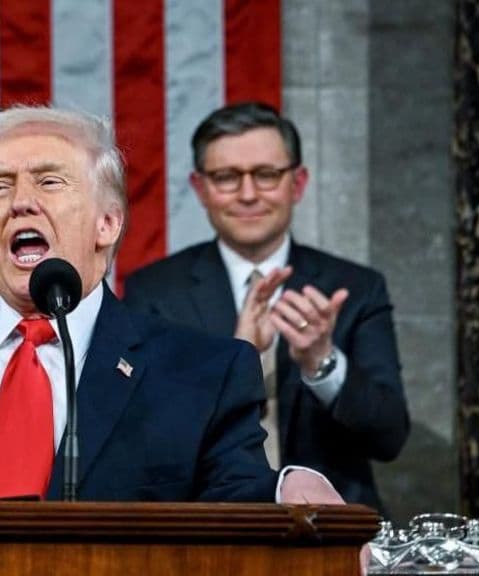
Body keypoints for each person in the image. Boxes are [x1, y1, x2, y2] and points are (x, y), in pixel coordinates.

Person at [0, 106, 343, 508]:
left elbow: (234, 511)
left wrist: (285, 486)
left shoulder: (202, 373)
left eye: (49, 181)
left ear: (107, 223)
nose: (21, 202)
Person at [123, 102, 410, 513]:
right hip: (209, 525)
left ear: (298, 183)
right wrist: (237, 359)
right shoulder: (154, 292)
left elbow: (389, 436)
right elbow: (144, 441)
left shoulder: (356, 288)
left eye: (266, 174)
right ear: (200, 188)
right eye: (226, 177)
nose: (248, 194)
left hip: (331, 526)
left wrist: (322, 362)